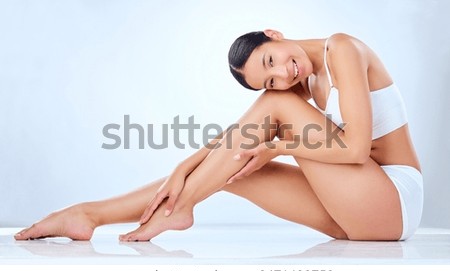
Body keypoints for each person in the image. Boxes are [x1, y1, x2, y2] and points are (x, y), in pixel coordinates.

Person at [14, 30, 423, 242]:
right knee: (235, 170)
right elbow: (239, 139)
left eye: (270, 61)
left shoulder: (343, 49)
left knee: (270, 116)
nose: (283, 75)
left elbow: (354, 150)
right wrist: (185, 165)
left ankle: (178, 210)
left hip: (393, 200)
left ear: (274, 34)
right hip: (353, 217)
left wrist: (276, 146)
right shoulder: (296, 85)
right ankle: (90, 215)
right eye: (271, 78)